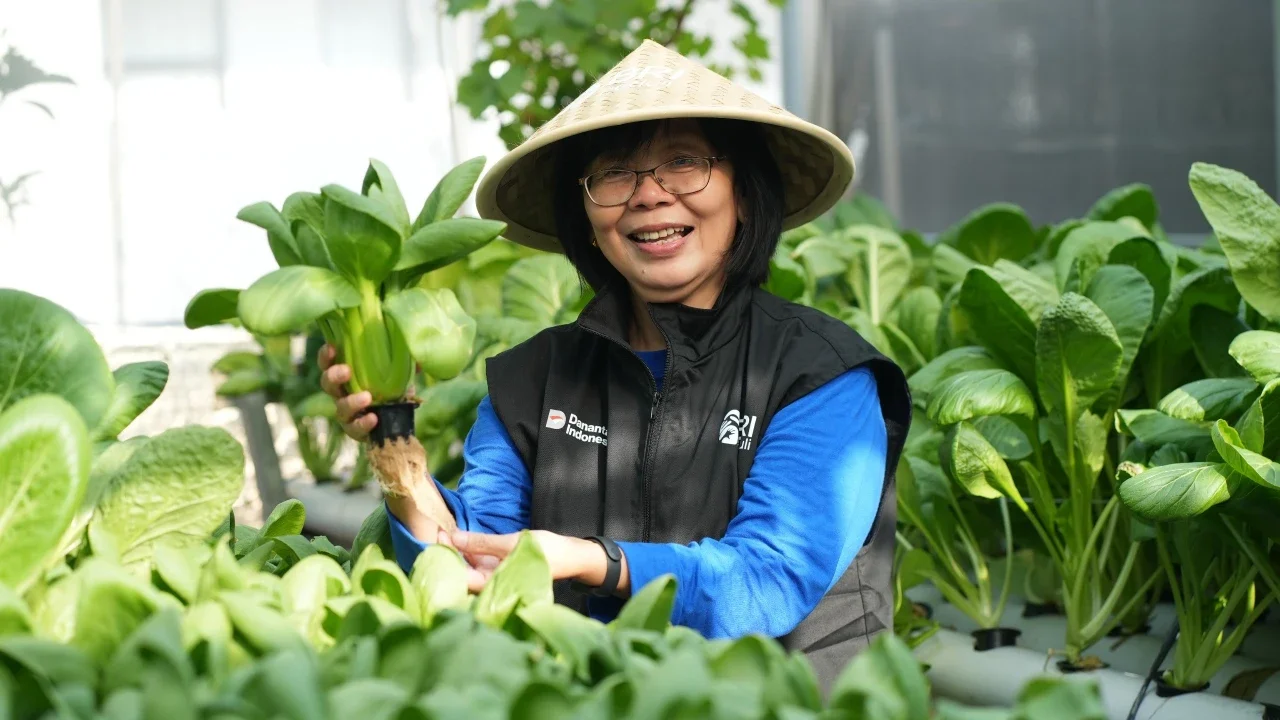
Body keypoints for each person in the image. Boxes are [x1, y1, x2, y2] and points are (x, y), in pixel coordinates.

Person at [318, 39, 911, 692]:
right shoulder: (532, 379)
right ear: (587, 214)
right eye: (615, 173)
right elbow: (477, 557)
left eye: (685, 163)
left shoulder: (821, 375)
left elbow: (765, 582)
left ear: (745, 192)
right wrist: (390, 441)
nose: (650, 195)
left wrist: (594, 562)